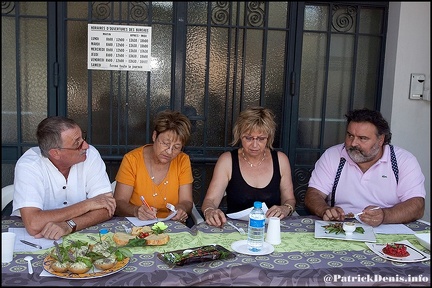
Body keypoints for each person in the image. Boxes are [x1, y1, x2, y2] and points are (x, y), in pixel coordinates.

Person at [305, 108, 426, 227]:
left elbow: (417, 205)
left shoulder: (403, 161)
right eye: (350, 135)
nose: (353, 143)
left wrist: (384, 215)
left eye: (362, 138)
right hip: (341, 227)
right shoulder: (332, 155)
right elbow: (314, 194)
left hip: (388, 228)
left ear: (380, 140)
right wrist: (325, 210)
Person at [12, 116, 116, 240]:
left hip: (83, 235)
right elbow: (33, 224)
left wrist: (69, 225)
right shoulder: (29, 166)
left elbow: (107, 207)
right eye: (77, 144)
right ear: (55, 153)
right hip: (39, 240)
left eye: (83, 138)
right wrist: (87, 205)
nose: (86, 146)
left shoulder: (90, 155)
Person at [201, 106, 296, 227]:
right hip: (234, 229)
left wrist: (285, 208)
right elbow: (210, 201)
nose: (255, 145)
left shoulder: (280, 160)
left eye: (261, 139)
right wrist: (210, 211)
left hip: (271, 229)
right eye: (248, 138)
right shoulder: (227, 160)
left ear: (269, 138)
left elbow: (290, 200)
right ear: (239, 136)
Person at [114, 109, 193, 225]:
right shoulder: (132, 160)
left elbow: (187, 201)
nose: (169, 152)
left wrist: (181, 209)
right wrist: (136, 211)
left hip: (172, 226)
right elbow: (119, 203)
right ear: (154, 136)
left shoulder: (182, 160)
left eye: (176, 147)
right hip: (137, 226)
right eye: (165, 144)